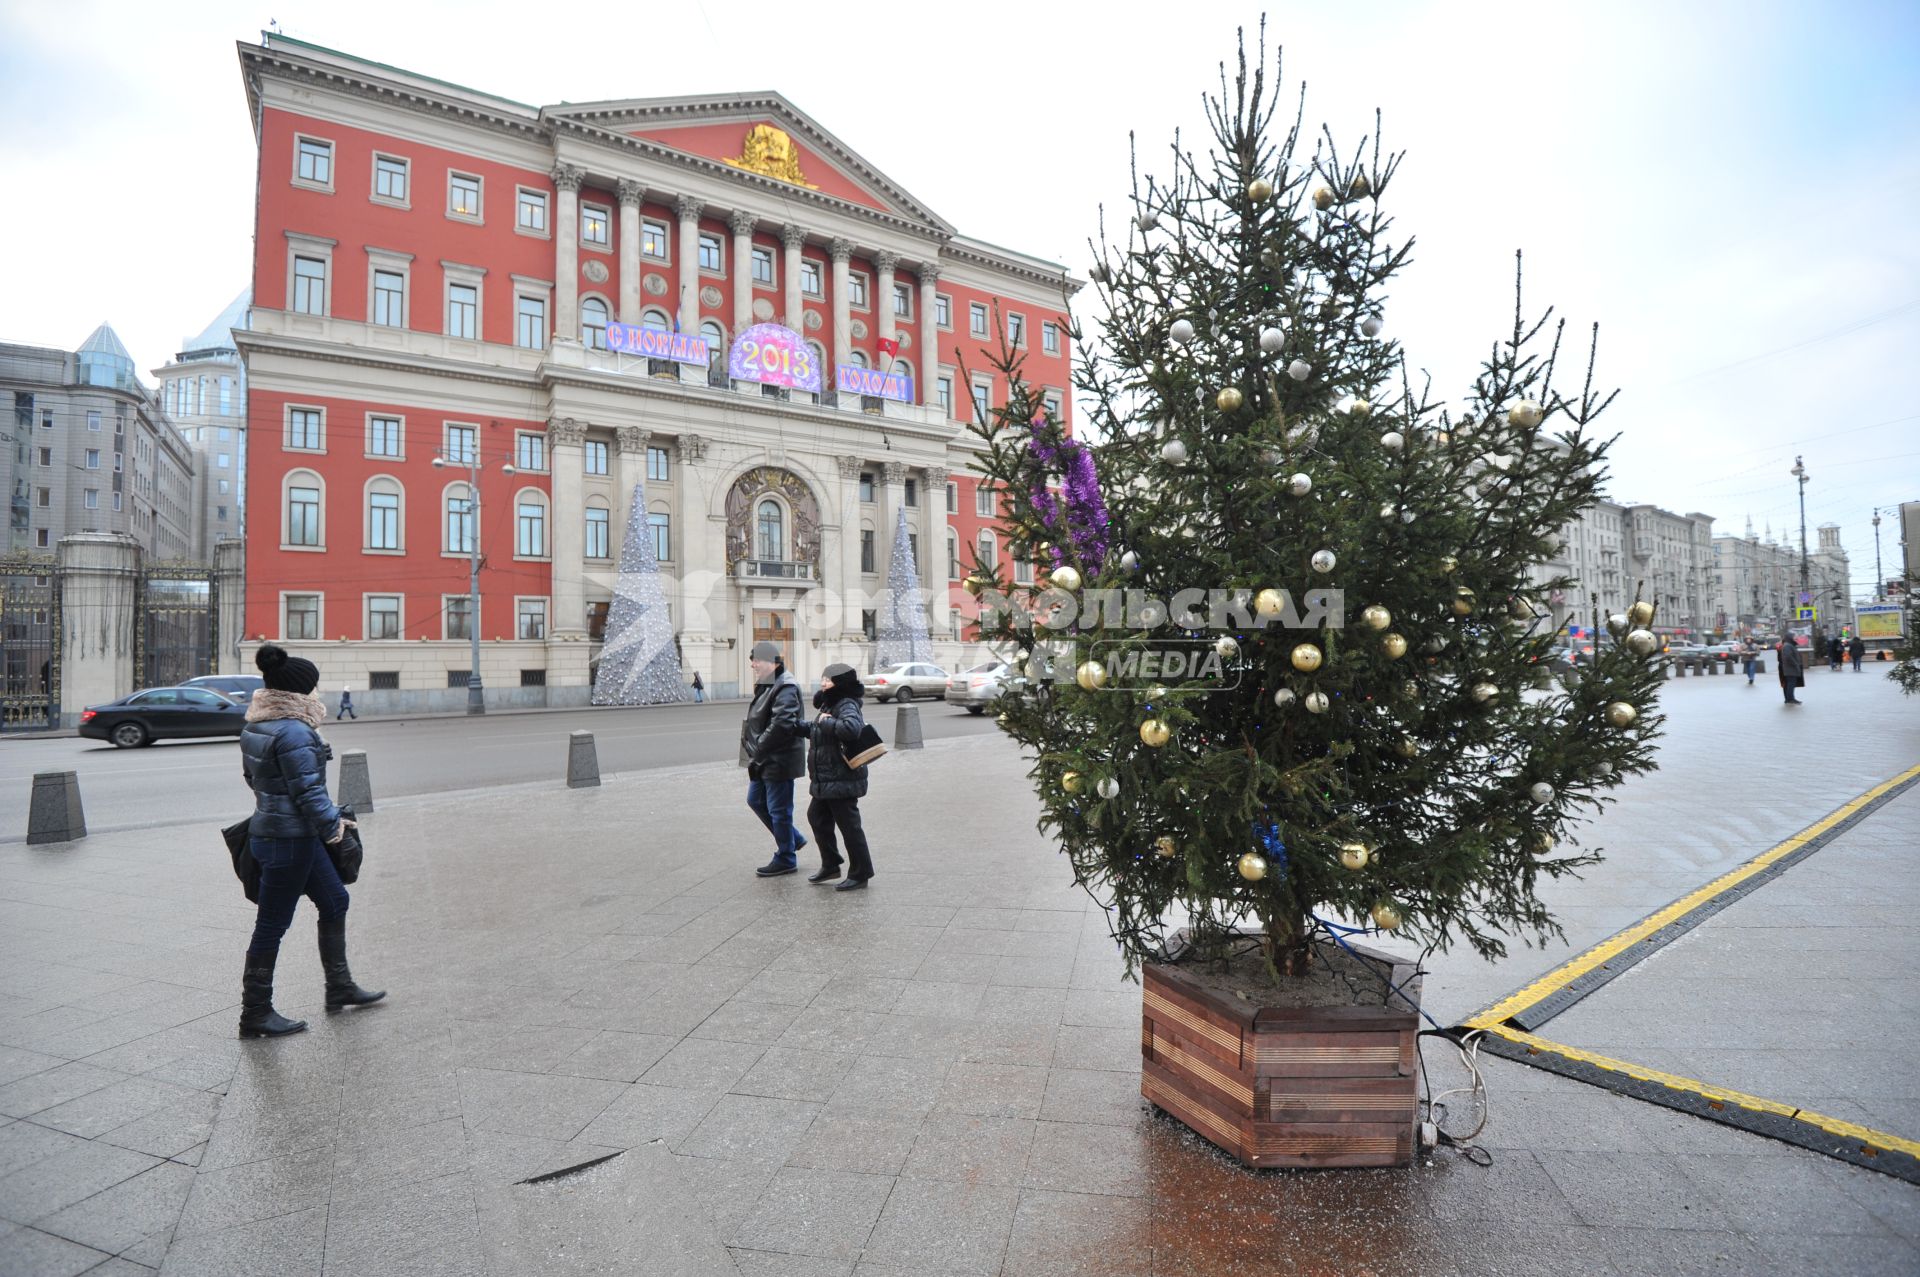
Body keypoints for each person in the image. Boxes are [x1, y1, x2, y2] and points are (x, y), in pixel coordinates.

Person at [237, 645, 384, 1038]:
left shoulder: (258, 725)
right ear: (300, 692)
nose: (316, 694)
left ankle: (339, 986)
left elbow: (259, 777)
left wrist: (315, 754)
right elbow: (308, 794)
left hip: (277, 832)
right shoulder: (295, 731)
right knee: (271, 924)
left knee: (335, 900)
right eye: (314, 688)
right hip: (290, 839)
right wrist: (336, 830)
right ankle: (255, 1012)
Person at [802, 663, 874, 891]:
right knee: (817, 817)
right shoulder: (829, 703)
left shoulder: (846, 703)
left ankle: (861, 873)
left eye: (829, 680)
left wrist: (826, 721)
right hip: (828, 779)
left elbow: (851, 729)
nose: (824, 683)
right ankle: (831, 864)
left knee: (850, 827)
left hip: (842, 778)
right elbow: (821, 731)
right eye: (823, 678)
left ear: (840, 684)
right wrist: (798, 727)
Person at [742, 640, 809, 877]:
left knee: (779, 810)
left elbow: (782, 724)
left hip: (778, 758)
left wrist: (759, 746)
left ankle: (786, 857)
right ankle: (793, 838)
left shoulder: (786, 685)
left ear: (771, 662)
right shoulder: (769, 683)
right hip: (764, 757)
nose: (753, 665)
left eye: (756, 660)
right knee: (755, 800)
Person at [1776, 635, 1804, 705]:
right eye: (1793, 637)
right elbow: (1788, 656)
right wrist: (1795, 664)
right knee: (1791, 683)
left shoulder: (1787, 645)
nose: (1795, 639)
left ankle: (1789, 698)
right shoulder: (1787, 646)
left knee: (1789, 683)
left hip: (1787, 667)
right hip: (1789, 668)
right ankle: (1790, 699)